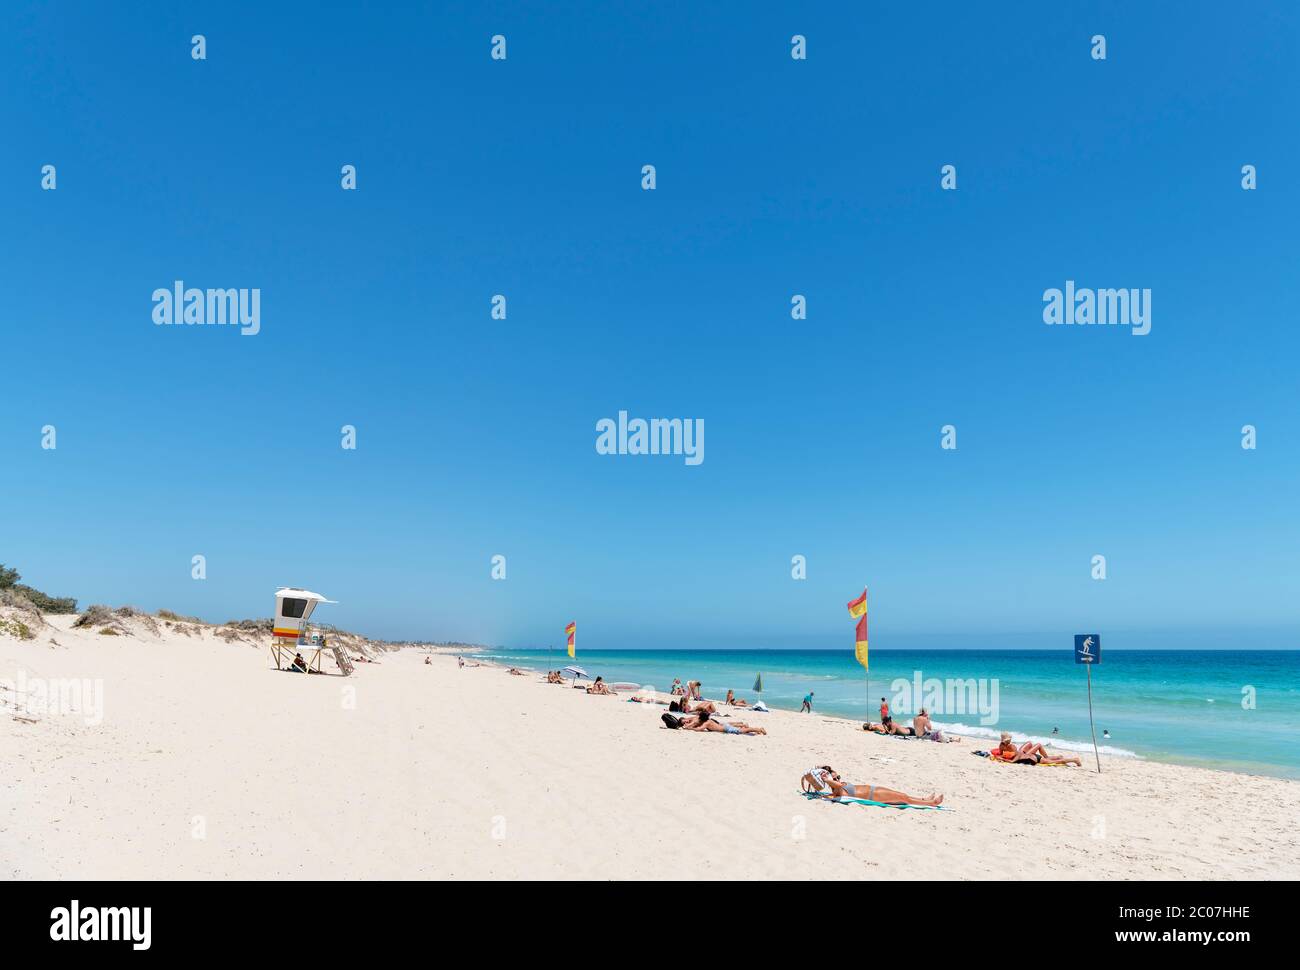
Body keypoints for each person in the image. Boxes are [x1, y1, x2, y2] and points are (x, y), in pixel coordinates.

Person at [801, 766, 943, 807]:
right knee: (904, 799)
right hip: (875, 796)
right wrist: (826, 779)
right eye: (836, 777)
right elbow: (834, 788)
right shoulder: (836, 791)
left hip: (875, 789)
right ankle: (931, 803)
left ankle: (924, 799)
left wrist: (830, 778)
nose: (838, 778)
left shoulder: (836, 788)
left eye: (838, 776)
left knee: (902, 795)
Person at [995, 733, 1082, 766]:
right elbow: (1002, 753)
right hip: (1032, 757)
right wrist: (1002, 757)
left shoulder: (1011, 746)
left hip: (1032, 758)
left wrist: (1009, 760)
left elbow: (1017, 756)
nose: (1009, 740)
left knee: (1053, 762)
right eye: (1008, 740)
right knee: (1048, 760)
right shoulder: (1001, 745)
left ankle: (1074, 759)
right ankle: (1059, 757)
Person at [684, 710, 766, 736]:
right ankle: (757, 731)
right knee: (743, 731)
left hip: (726, 728)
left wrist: (690, 728)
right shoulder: (708, 721)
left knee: (741, 731)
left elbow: (699, 729)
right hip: (724, 727)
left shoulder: (706, 723)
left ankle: (759, 729)